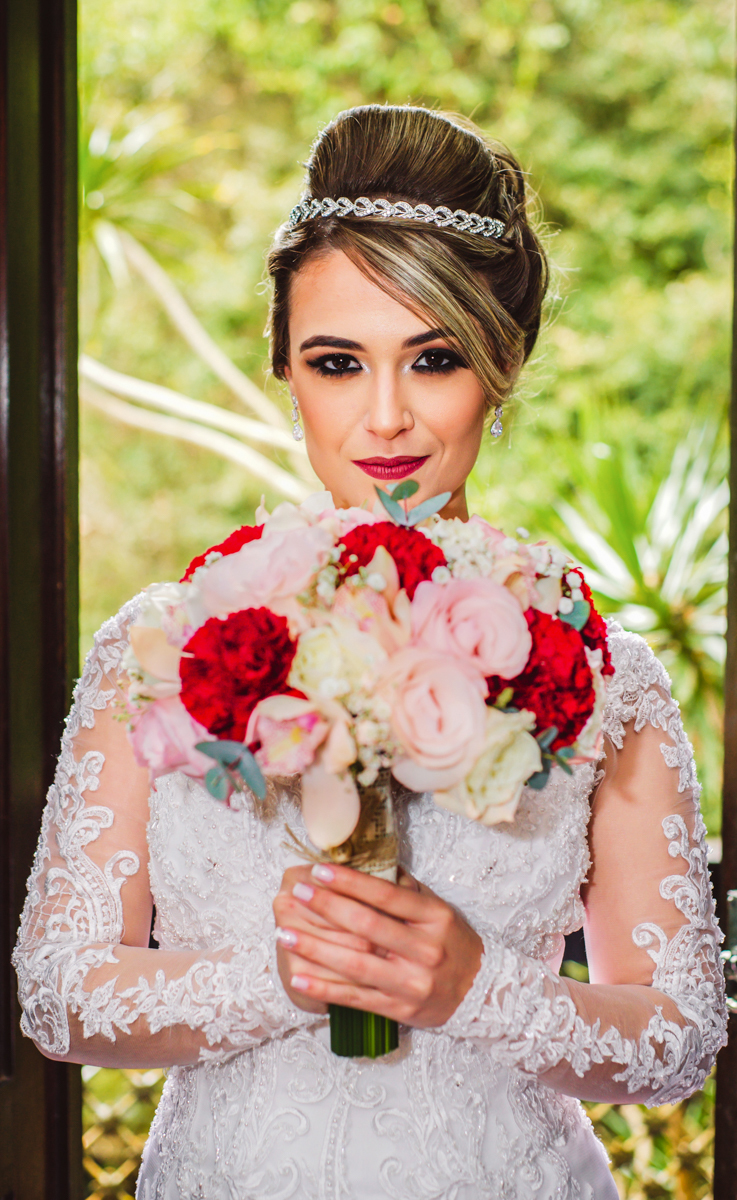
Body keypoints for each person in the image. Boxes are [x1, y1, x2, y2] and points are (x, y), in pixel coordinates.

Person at [13, 105, 726, 1200]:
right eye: (337, 362)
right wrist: (289, 976)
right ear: (284, 369)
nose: (385, 418)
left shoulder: (600, 673)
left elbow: (676, 1038)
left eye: (433, 359)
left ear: (502, 363)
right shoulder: (160, 648)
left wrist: (475, 990)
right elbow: (59, 997)